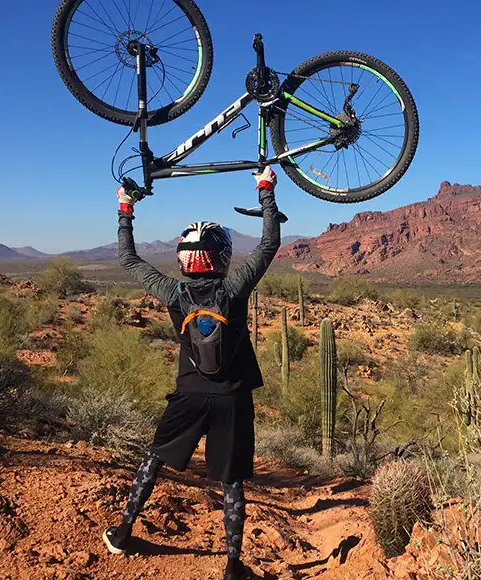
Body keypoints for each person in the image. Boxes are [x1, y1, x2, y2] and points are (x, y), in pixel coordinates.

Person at [102, 167, 281, 580]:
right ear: (222, 256)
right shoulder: (234, 289)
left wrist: (125, 208)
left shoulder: (173, 292)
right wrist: (265, 190)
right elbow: (269, 243)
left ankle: (124, 531)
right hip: (234, 397)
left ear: (183, 259)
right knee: (231, 481)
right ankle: (233, 566)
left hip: (189, 395)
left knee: (154, 459)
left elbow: (128, 259)